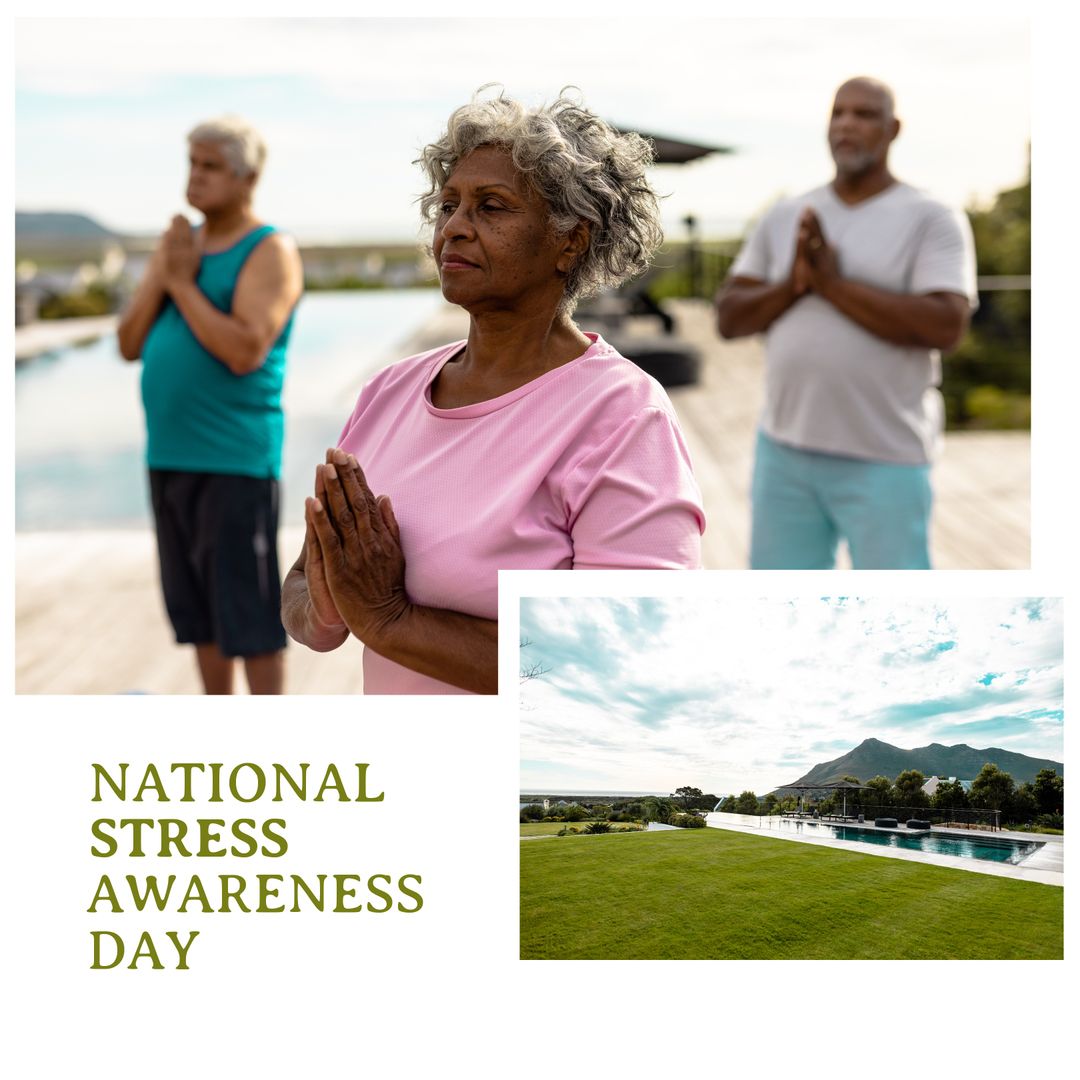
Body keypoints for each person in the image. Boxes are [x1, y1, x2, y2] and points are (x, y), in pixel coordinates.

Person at [282, 89, 705, 695]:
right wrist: (327, 598)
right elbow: (302, 586)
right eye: (448, 205)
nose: (453, 228)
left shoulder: (621, 417)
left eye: (491, 206)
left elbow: (632, 664)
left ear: (571, 239)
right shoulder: (389, 392)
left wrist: (387, 617)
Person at [716, 77, 977, 569]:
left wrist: (832, 285)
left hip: (886, 459)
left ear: (892, 128)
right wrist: (793, 285)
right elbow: (729, 317)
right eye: (838, 113)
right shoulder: (787, 215)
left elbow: (947, 325)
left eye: (864, 114)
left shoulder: (931, 216)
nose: (847, 124)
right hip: (783, 453)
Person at [118, 116, 304, 693]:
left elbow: (245, 349)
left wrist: (180, 284)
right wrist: (167, 271)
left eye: (210, 166)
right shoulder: (180, 247)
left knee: (249, 618)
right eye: (191, 164)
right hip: (169, 458)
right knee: (197, 614)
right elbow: (128, 343)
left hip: (233, 461)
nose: (195, 177)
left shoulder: (269, 250)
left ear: (247, 178)